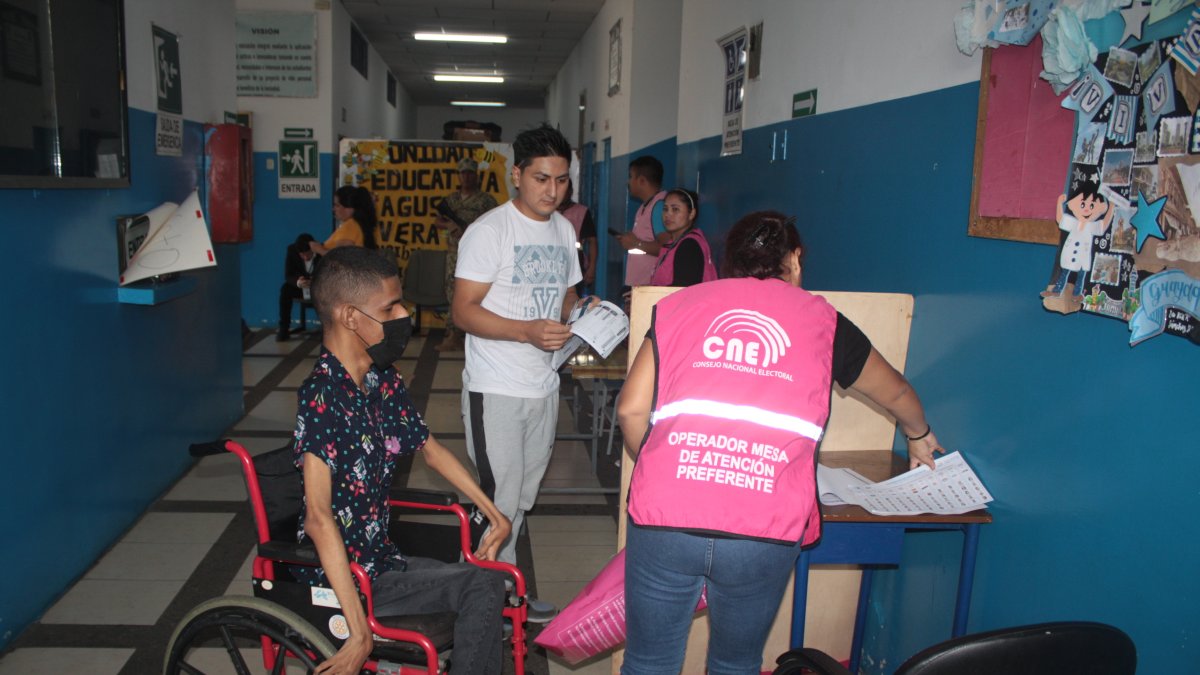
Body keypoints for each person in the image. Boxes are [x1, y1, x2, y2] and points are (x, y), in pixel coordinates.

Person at [616, 211, 946, 674]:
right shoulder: (824, 322)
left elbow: (631, 408)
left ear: (731, 262)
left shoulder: (678, 307)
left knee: (649, 661)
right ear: (794, 258)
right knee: (735, 661)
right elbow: (895, 392)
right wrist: (919, 434)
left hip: (666, 518)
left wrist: (663, 465)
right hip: (763, 529)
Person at [293, 246, 512, 675]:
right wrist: (359, 632)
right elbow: (318, 518)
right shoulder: (322, 396)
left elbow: (429, 449)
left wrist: (493, 513)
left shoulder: (379, 378)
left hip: (382, 562)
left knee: (483, 580)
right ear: (350, 316)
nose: (402, 315)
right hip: (345, 581)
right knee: (482, 584)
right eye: (389, 306)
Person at [452, 124, 585, 621]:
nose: (553, 191)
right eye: (541, 179)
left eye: (562, 180)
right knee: (498, 501)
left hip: (544, 384)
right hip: (497, 387)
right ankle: (490, 602)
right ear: (516, 175)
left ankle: (498, 590)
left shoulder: (565, 230)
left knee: (521, 499)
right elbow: (464, 311)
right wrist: (525, 331)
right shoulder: (490, 231)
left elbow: (568, 290)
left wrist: (578, 312)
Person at [433, 156, 499, 353]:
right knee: (452, 292)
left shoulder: (486, 200)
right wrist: (451, 225)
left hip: (479, 254)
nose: (467, 177)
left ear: (476, 175)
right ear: (459, 176)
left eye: (470, 173)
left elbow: (496, 224)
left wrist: (473, 230)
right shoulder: (451, 199)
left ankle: (473, 332)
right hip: (455, 253)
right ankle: (452, 335)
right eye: (463, 173)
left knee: (480, 294)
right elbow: (438, 221)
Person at [616, 155, 672, 287]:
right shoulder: (644, 206)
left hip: (649, 288)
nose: (628, 182)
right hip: (638, 286)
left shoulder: (659, 207)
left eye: (630, 177)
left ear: (641, 181)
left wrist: (636, 243)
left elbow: (667, 248)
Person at [648, 188, 717, 287]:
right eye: (665, 209)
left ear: (691, 214)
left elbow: (683, 290)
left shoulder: (689, 246)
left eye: (675, 209)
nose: (668, 214)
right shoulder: (673, 245)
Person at [310, 185, 378, 256]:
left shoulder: (349, 226)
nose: (333, 209)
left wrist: (319, 249)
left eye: (337, 205)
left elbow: (341, 258)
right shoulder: (359, 225)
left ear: (348, 208)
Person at [558, 180, 597, 294]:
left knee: (572, 299)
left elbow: (592, 241)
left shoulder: (581, 212)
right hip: (550, 264)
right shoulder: (546, 211)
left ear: (570, 192)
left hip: (575, 265)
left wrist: (591, 267)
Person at [278, 232, 316, 341]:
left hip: (318, 288)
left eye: (308, 254)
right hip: (301, 287)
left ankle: (328, 331)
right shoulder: (291, 250)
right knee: (285, 289)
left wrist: (315, 281)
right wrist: (298, 282)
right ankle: (284, 328)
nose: (305, 257)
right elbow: (288, 275)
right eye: (302, 255)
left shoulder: (320, 250)